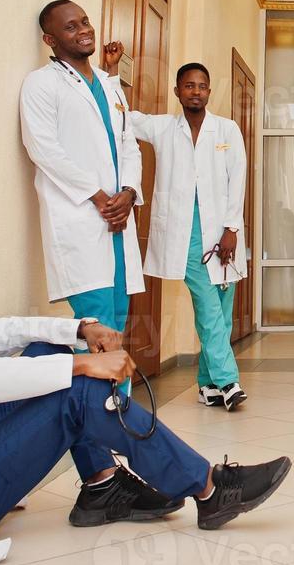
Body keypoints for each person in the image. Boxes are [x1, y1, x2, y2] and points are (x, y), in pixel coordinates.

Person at [0, 221, 292, 565]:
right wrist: (82, 364)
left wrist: (78, 330)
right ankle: (208, 489)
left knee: (47, 351)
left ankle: (103, 489)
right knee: (75, 390)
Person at [104, 47, 249, 411]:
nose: (195, 92)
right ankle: (228, 380)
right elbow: (123, 117)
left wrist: (231, 228)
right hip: (185, 234)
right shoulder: (163, 127)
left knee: (221, 305)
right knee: (207, 303)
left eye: (202, 86)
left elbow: (238, 180)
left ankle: (206, 384)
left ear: (209, 92)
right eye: (188, 86)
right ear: (177, 91)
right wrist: (110, 75)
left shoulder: (227, 129)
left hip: (223, 232)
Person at [19, 0, 144, 342]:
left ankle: (117, 398)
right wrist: (101, 198)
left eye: (85, 22)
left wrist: (129, 193)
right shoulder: (41, 84)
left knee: (119, 317)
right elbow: (43, 149)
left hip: (118, 217)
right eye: (71, 27)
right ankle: (98, 398)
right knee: (97, 321)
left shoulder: (109, 84)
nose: (85, 30)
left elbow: (128, 143)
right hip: (81, 217)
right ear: (50, 40)